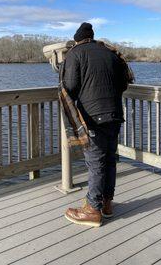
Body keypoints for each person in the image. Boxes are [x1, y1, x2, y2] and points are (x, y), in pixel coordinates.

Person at [63, 22, 129, 227]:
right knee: (109, 159)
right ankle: (107, 203)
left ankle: (92, 209)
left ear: (77, 39)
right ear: (92, 37)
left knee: (96, 162)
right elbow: (123, 84)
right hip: (115, 114)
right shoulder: (111, 52)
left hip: (92, 117)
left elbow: (71, 86)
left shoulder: (76, 53)